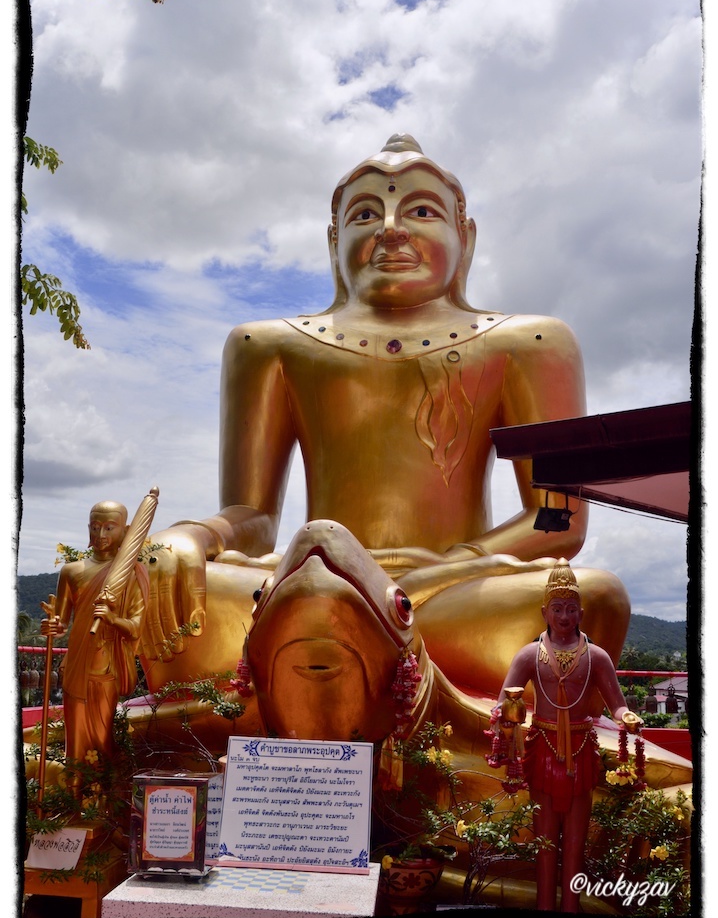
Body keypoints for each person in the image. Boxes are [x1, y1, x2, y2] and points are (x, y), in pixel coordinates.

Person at [140, 134, 628, 696]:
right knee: (157, 582)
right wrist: (190, 537)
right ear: (334, 242)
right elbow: (253, 516)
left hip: (450, 590)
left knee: (596, 596)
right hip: (314, 580)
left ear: (465, 238)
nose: (391, 229)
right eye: (366, 214)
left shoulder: (529, 342)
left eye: (421, 211)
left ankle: (294, 686)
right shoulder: (267, 345)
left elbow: (558, 519)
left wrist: (444, 569)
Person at [495, 560, 642, 913]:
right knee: (545, 843)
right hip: (543, 749)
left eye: (571, 609)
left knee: (575, 843)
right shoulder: (530, 654)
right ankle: (545, 910)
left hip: (580, 752)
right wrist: (506, 712)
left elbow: (617, 704)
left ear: (581, 613)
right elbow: (503, 702)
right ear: (544, 612)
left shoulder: (597, 657)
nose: (564, 616)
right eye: (557, 608)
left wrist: (626, 716)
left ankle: (571, 912)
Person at [41, 501, 148, 767]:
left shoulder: (131, 575)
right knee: (74, 740)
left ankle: (102, 788)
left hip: (106, 666)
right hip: (77, 663)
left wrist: (113, 619)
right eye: (95, 527)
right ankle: (74, 788)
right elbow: (62, 623)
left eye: (109, 528)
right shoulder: (72, 571)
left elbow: (137, 626)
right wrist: (54, 626)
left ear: (125, 531)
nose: (101, 535)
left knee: (101, 737)